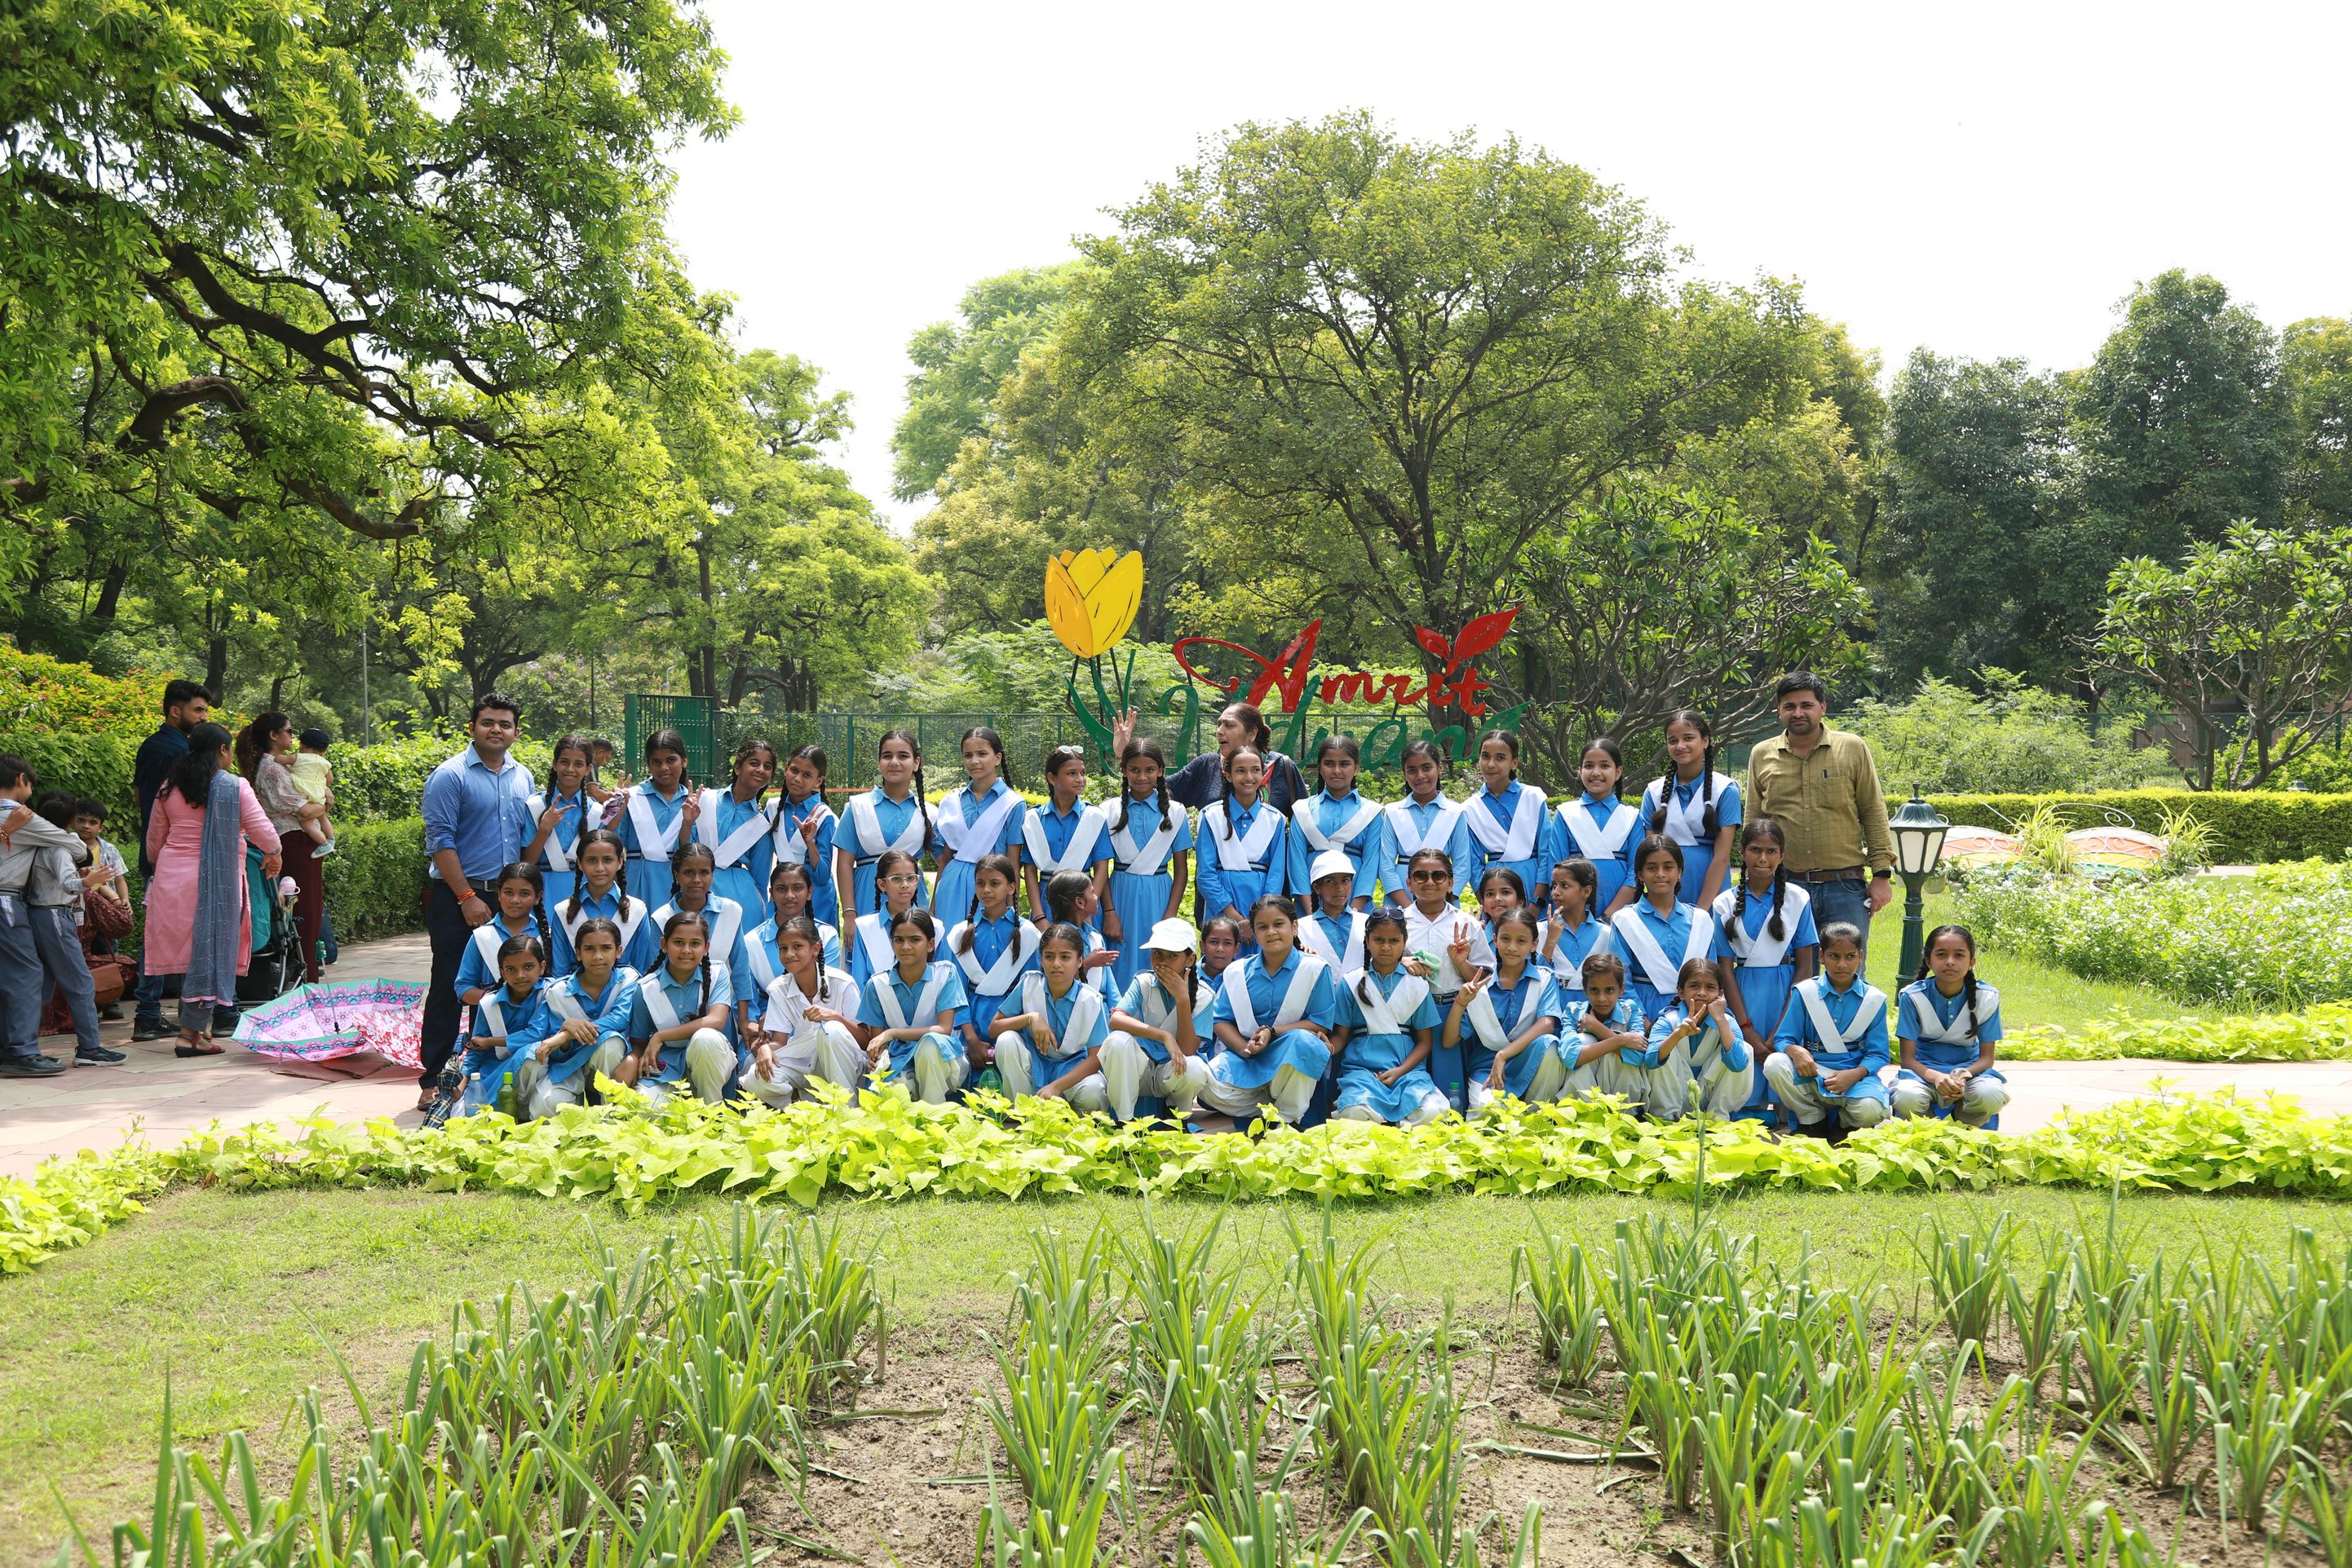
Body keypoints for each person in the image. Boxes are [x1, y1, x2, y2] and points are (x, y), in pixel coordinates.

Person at [138, 725, 282, 1058]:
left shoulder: (169, 787)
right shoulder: (235, 786)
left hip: (174, 878)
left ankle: (198, 1030)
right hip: (218, 880)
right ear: (222, 750)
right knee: (211, 951)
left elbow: (155, 842)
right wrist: (274, 853)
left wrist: (167, 865)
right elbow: (263, 830)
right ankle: (188, 1036)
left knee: (194, 955)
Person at [420, 695, 536, 1109]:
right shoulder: (450, 776)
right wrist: (467, 896)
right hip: (458, 896)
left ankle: (477, 1075)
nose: (496, 730)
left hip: (508, 898)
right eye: (488, 722)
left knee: (502, 986)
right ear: (472, 728)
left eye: (505, 724)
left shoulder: (523, 777)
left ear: (516, 732)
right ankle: (434, 1078)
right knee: (451, 985)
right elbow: (440, 841)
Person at [1744, 672, 1895, 960]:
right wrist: (1754, 878)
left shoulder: (1852, 748)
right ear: (1779, 711)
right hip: (1786, 887)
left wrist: (1882, 875)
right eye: (1789, 706)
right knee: (1792, 971)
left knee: (1849, 973)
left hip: (1845, 887)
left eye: (1806, 705)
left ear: (1822, 707)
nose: (1798, 713)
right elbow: (1754, 821)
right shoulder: (1762, 754)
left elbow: (1873, 811)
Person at [1116, 702, 1307, 921]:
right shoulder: (1207, 766)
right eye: (1219, 724)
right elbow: (1155, 788)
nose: (1219, 731)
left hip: (1268, 900)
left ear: (1252, 733)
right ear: (1229, 775)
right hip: (1216, 900)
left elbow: (1303, 830)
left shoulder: (1283, 768)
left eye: (1229, 725)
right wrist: (1126, 756)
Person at [1193, 894, 1338, 1129]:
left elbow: (1320, 1022)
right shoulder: (1237, 971)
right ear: (1254, 932)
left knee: (1305, 1042)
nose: (1271, 932)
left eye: (1278, 924)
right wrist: (1244, 1049)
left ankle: (1285, 1118)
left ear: (1294, 927)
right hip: (1247, 1061)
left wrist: (1272, 1032)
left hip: (1290, 1061)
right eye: (1262, 927)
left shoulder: (1315, 968)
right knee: (1203, 1085)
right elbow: (1221, 1020)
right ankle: (1271, 1107)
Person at [3, 782, 115, 1067]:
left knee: (39, 984)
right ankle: (90, 1048)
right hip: (54, 916)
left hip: (33, 914)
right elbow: (68, 883)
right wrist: (87, 881)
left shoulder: (33, 844)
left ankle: (17, 1043)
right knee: (80, 982)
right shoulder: (59, 847)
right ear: (71, 820)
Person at [130, 679, 211, 1041]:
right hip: (177, 855)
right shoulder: (182, 751)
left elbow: (139, 797)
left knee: (158, 933)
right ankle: (165, 1014)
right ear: (175, 711)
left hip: (157, 850)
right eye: (198, 710)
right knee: (184, 933)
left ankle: (150, 1014)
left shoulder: (150, 745)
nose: (203, 717)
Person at [1762, 922, 1891, 1132]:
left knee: (1871, 1110)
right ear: (1821, 956)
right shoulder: (1805, 992)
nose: (1842, 964)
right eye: (1834, 956)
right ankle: (1812, 1119)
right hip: (1812, 1072)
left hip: (1854, 1078)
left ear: (1860, 957)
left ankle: (1844, 1124)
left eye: (1850, 956)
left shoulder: (1873, 999)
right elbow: (1784, 1038)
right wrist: (1795, 1051)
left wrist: (1855, 1074)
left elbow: (1878, 1054)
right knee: (1775, 1064)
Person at [1711, 818, 1818, 1063]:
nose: (1763, 858)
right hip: (1744, 997)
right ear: (1742, 853)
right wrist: (1745, 1028)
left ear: (1782, 856)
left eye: (1771, 851)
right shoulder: (1724, 904)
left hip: (1788, 996)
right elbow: (1724, 969)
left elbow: (1805, 967)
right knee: (1748, 1067)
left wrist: (1783, 1027)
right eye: (1755, 850)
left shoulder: (1798, 899)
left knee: (1785, 1069)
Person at [511, 916, 638, 1120]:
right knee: (545, 1107)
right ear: (578, 953)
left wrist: (566, 1033)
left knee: (611, 1041)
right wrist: (564, 1041)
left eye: (606, 948)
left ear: (619, 951)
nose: (598, 956)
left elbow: (620, 1018)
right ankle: (580, 1103)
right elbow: (557, 1054)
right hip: (570, 1068)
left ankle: (611, 1116)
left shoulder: (628, 980)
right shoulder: (559, 992)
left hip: (613, 1067)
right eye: (589, 949)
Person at [1607, 835, 1740, 1026]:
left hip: (1695, 1017)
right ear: (1640, 874)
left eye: (1668, 867)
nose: (1660, 874)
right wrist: (1644, 1023)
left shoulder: (1700, 920)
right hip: (1642, 1017)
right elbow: (1622, 981)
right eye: (1652, 868)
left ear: (1679, 872)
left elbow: (1711, 976)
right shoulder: (1625, 920)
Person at [1333, 906, 1449, 1125]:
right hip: (1361, 1072)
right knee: (1355, 1111)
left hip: (1408, 1072)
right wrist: (1327, 1047)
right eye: (1378, 940)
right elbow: (1341, 1035)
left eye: (1394, 941)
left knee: (1433, 1111)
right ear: (1367, 941)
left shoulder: (1417, 985)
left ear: (1404, 942)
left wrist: (1400, 1072)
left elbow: (1425, 1042)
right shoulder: (1351, 982)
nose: (1386, 947)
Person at [237, 713, 327, 984]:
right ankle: (307, 976)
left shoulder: (277, 765)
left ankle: (307, 972)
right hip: (293, 841)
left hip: (296, 840)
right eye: (288, 731)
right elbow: (304, 809)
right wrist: (325, 804)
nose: (292, 736)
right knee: (304, 911)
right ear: (274, 735)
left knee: (306, 909)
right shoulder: (273, 768)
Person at [741, 915, 864, 1109]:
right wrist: (766, 1049)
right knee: (755, 1079)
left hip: (845, 1062)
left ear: (816, 949)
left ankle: (846, 1109)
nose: (789, 954)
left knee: (831, 1030)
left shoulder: (842, 982)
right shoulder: (778, 989)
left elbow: (865, 1039)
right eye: (783, 948)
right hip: (803, 1063)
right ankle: (806, 1105)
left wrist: (836, 1018)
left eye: (797, 946)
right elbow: (780, 1042)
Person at [992, 923, 1117, 1112]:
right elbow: (994, 1028)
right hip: (1034, 1063)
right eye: (1049, 956)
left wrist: (1057, 1087)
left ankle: (1078, 1125)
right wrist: (1031, 1018)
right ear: (1041, 960)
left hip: (1073, 1068)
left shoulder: (1091, 1000)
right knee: (1006, 1040)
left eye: (1065, 957)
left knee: (1094, 1090)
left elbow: (1096, 1059)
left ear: (1079, 961)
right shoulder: (1029, 983)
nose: (1056, 963)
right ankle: (1020, 1113)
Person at [616, 908, 737, 1105]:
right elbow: (639, 1041)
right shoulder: (646, 989)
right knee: (645, 1109)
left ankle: (712, 1113)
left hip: (711, 1063)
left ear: (706, 947)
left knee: (705, 1038)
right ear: (664, 945)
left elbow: (716, 1020)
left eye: (695, 944)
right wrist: (632, 1059)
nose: (686, 950)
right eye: (678, 942)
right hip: (667, 1069)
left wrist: (660, 1036)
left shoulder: (718, 972)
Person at [1892, 925, 2009, 1127]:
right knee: (1906, 1096)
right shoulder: (1912, 996)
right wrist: (1937, 1078)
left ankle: (1964, 1127)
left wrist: (1962, 1076)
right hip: (1922, 1074)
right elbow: (1907, 1060)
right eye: (1941, 954)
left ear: (1971, 962)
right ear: (1929, 961)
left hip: (1970, 1074)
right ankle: (1927, 1133)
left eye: (1959, 955)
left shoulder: (1987, 997)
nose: (1950, 961)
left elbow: (1987, 1059)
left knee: (1990, 1094)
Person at [1448, 907, 1563, 1111]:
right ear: (1495, 940)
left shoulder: (1544, 978)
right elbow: (1448, 1041)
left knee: (1550, 1046)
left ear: (1534, 944)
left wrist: (1503, 1054)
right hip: (1487, 1068)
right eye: (1505, 939)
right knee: (1487, 1109)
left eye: (1521, 941)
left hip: (1527, 1062)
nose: (1512, 947)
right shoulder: (1481, 986)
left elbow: (1547, 1024)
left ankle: (1537, 1113)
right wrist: (1461, 1003)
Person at [1102, 918, 1215, 1122]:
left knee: (1195, 1068)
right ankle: (1124, 1120)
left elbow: (1188, 1050)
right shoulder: (1144, 982)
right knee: (1118, 1041)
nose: (1163, 962)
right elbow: (1116, 1019)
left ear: (1190, 960)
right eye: (1157, 954)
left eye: (1172, 955)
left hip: (1172, 1071)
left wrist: (1182, 999)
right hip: (1140, 1070)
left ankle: (1178, 1118)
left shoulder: (1204, 995)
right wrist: (1164, 1036)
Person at [1103, 737, 1191, 989]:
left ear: (1160, 771)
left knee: (1157, 955)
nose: (1142, 776)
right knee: (1119, 957)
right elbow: (1101, 867)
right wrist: (1109, 913)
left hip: (1159, 894)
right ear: (1123, 770)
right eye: (1134, 770)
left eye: (1149, 770)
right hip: (1120, 893)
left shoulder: (1176, 812)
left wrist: (1170, 915)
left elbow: (1182, 870)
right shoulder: (1108, 810)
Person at [856, 908, 966, 1102]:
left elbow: (944, 1029)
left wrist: (893, 1033)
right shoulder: (877, 985)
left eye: (915, 940)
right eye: (899, 940)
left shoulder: (945, 974)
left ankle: (933, 1113)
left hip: (942, 1058)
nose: (906, 946)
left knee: (930, 1045)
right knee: (888, 1096)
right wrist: (877, 1056)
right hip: (898, 1060)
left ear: (930, 944)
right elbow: (879, 1042)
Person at [945, 854, 1038, 1071]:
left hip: (1013, 1022)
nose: (986, 889)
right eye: (980, 883)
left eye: (995, 883)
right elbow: (955, 991)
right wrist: (971, 1039)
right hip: (971, 1024)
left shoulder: (1027, 933)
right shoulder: (961, 933)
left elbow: (1030, 989)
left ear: (1011, 887)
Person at [1640, 711, 1740, 908]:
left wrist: (1701, 911)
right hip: (1665, 888)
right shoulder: (1654, 792)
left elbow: (1721, 858)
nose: (1680, 746)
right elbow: (1650, 853)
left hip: (1711, 891)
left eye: (1688, 738)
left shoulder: (1725, 789)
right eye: (1673, 740)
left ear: (1705, 741)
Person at [834, 729, 935, 920]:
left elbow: (945, 860)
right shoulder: (858, 807)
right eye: (887, 756)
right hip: (865, 899)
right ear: (879, 762)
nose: (894, 762)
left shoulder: (929, 813)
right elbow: (844, 863)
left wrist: (933, 909)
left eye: (903, 756)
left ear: (916, 763)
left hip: (913, 902)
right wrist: (849, 912)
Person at [932, 727, 1025, 932]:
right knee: (947, 941)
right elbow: (945, 858)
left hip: (991, 885)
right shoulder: (953, 800)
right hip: (952, 885)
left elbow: (1013, 861)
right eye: (968, 755)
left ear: (997, 758)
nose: (974, 761)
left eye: (982, 754)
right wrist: (933, 907)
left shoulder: (1013, 804)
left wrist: (1012, 907)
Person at [1196, 747, 1288, 952]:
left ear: (1263, 774)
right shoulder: (1211, 816)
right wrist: (1236, 918)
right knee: (1221, 959)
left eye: (1255, 770)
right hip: (1221, 908)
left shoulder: (1275, 819)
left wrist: (1258, 919)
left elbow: (1276, 875)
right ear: (1228, 775)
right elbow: (1205, 874)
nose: (1249, 777)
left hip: (1261, 910)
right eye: (1240, 771)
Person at [1640, 958, 1754, 1121]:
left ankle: (1717, 1119)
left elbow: (1739, 1065)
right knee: (1664, 1047)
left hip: (1707, 1095)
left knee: (1744, 1049)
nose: (1702, 992)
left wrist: (1720, 1019)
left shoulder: (1726, 1021)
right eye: (1694, 986)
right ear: (1681, 992)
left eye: (1710, 987)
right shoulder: (1669, 1020)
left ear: (1720, 994)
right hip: (1673, 1095)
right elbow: (1651, 1061)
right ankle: (1667, 1119)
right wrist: (1677, 1035)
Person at [1285, 735, 1387, 910]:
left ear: (1356, 768)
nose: (1337, 770)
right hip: (1310, 903)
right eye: (1329, 764)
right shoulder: (1303, 810)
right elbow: (1297, 862)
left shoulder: (1371, 812)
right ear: (1320, 768)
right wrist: (1309, 913)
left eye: (1345, 764)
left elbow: (1371, 863)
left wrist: (1355, 911)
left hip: (1356, 903)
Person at [1545, 737, 1641, 916]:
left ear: (1618, 772)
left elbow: (1636, 871)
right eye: (1589, 766)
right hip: (1574, 912)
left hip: (1621, 912)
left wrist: (1611, 915)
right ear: (1580, 771)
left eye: (1604, 766)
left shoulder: (1632, 816)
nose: (1596, 772)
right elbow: (1555, 867)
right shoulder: (1566, 814)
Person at [605, 728, 697, 914]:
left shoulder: (693, 802)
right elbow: (609, 842)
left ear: (684, 761)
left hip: (677, 882)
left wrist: (688, 823)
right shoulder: (630, 797)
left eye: (671, 760)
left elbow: (694, 849)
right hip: (637, 879)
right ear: (648, 765)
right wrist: (615, 810)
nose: (664, 768)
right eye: (656, 762)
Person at [1022, 746, 1109, 934]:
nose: (1080, 779)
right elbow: (1030, 870)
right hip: (1046, 902)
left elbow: (1102, 868)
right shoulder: (1034, 819)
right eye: (1072, 773)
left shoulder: (1094, 817)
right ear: (1052, 778)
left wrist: (1088, 909)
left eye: (1083, 773)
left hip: (1084, 900)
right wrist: (1039, 916)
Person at [549, 828, 656, 978]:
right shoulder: (563, 911)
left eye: (607, 860)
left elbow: (642, 972)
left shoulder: (637, 910)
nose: (599, 868)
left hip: (625, 991)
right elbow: (559, 974)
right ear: (580, 863)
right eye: (592, 860)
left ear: (620, 862)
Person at [1464, 729, 1550, 905]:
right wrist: (1487, 903)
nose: (1490, 764)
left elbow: (1547, 852)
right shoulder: (1470, 808)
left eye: (1500, 758)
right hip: (1495, 888)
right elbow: (1473, 864)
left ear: (1514, 763)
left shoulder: (1533, 798)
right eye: (1485, 756)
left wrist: (1537, 901)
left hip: (1534, 882)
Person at [696, 739, 779, 921]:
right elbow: (684, 846)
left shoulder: (761, 826)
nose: (761, 770)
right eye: (754, 763)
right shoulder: (706, 800)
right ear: (738, 768)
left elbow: (760, 880)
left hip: (742, 900)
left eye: (767, 767)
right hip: (697, 888)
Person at [1382, 738, 1471, 907]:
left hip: (1444, 901)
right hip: (1400, 900)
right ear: (1404, 774)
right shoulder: (1393, 812)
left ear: (1439, 768)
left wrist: (1444, 903)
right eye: (1412, 770)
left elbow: (1463, 865)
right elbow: (1385, 866)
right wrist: (1409, 909)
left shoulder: (1455, 813)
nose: (1420, 776)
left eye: (1426, 768)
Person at [72, 797, 134, 1018]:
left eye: (92, 822)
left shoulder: (109, 849)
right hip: (78, 910)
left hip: (105, 910)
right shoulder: (68, 845)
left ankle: (111, 1001)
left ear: (101, 827)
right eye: (81, 820)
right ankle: (85, 1002)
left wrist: (124, 899)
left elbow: (119, 879)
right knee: (80, 954)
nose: (85, 826)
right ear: (73, 821)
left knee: (108, 951)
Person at [523, 733, 599, 911]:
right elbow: (526, 863)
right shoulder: (535, 806)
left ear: (588, 769)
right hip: (542, 892)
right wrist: (544, 830)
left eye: (578, 764)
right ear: (554, 764)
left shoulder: (596, 811)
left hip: (584, 891)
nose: (570, 769)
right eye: (564, 762)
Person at [770, 744, 839, 928]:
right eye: (794, 770)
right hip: (783, 893)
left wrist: (810, 843)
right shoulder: (773, 809)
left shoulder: (824, 816)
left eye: (807, 775)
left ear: (818, 781)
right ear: (786, 769)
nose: (798, 778)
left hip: (816, 897)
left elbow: (822, 876)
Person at [287, 729, 338, 857]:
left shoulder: (298, 758)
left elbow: (279, 760)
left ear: (302, 745)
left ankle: (324, 843)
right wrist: (322, 786)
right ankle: (331, 838)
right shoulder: (322, 762)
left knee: (305, 822)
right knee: (323, 817)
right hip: (319, 794)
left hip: (306, 796)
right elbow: (330, 779)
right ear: (323, 751)